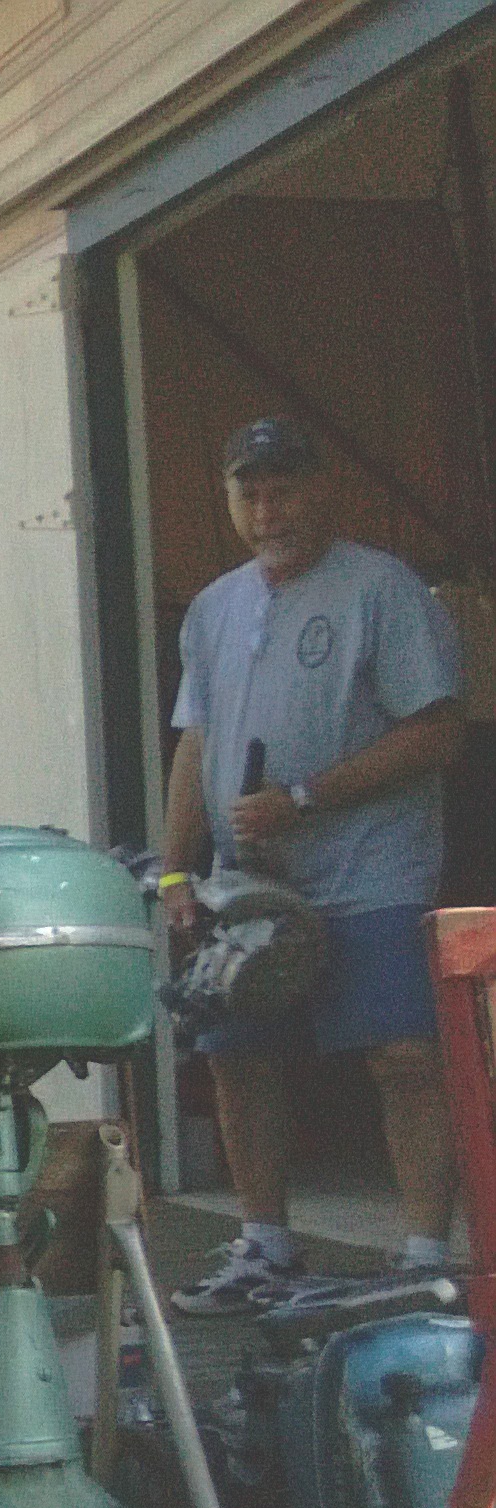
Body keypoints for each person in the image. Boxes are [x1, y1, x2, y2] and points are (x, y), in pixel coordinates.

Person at [160, 418, 468, 1313]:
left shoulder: (383, 587)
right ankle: (264, 1248)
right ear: (229, 501)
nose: (269, 511)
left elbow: (438, 732)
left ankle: (423, 1257)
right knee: (237, 1056)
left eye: (285, 490)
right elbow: (196, 744)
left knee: (403, 1056)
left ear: (323, 489)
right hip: (250, 881)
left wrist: (305, 796)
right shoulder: (213, 608)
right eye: (250, 494)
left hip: (371, 868)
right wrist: (176, 872)